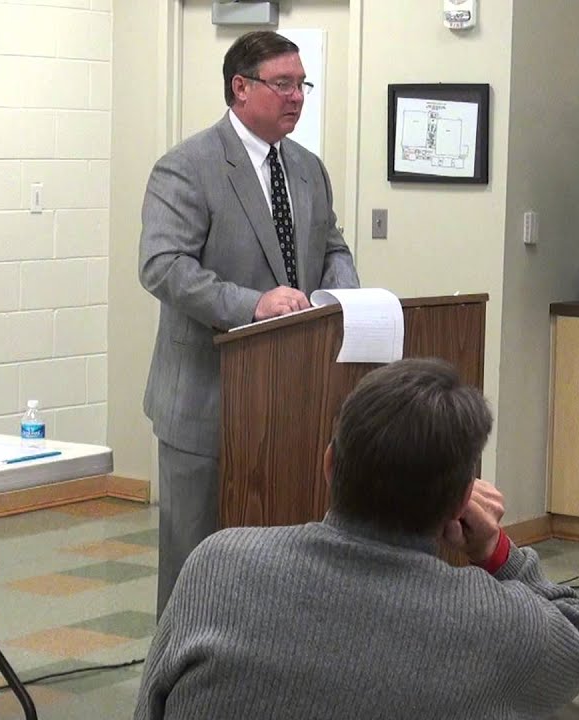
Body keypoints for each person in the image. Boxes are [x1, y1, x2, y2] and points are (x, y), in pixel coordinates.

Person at [132, 358, 579, 720]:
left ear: (329, 464)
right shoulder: (497, 623)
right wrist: (496, 551)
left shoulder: (216, 563)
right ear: (460, 503)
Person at [139, 30, 359, 615]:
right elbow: (163, 266)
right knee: (195, 568)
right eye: (282, 84)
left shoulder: (308, 169)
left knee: (279, 564)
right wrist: (252, 306)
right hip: (207, 402)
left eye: (302, 84)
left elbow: (331, 246)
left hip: (291, 402)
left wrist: (341, 298)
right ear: (240, 87)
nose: (297, 97)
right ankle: (179, 670)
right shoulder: (188, 167)